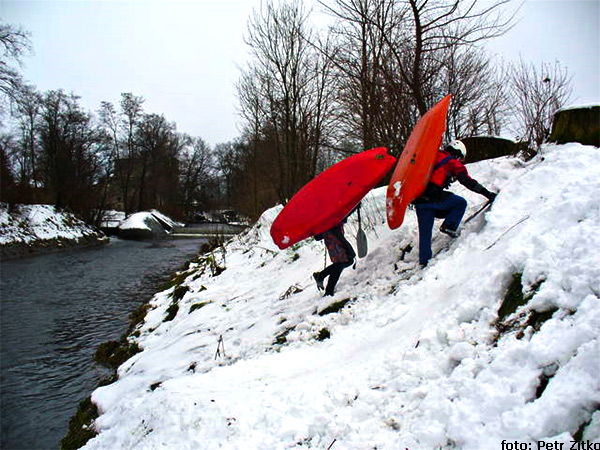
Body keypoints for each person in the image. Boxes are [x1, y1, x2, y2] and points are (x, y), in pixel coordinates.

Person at [412, 140, 497, 267]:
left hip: (419, 200)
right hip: (434, 196)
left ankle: (424, 262)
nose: (460, 160)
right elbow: (466, 180)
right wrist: (487, 193)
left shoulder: (432, 156)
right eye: (460, 158)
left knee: (425, 234)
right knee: (460, 203)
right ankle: (449, 226)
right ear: (458, 153)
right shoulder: (452, 161)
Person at [313, 220, 356, 296]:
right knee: (344, 262)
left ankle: (321, 277)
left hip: (334, 237)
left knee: (342, 263)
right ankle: (328, 290)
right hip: (334, 239)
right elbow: (317, 236)